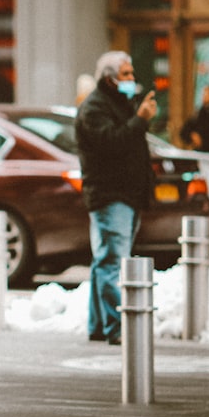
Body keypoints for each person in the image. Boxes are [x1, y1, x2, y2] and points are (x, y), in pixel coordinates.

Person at [75, 51, 156, 345]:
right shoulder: (95, 108)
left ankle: (98, 324)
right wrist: (140, 120)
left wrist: (138, 118)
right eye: (126, 74)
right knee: (112, 261)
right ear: (109, 78)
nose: (132, 79)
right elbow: (112, 144)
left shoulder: (119, 104)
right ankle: (118, 326)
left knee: (106, 259)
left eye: (132, 73)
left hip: (127, 193)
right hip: (111, 194)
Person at [180, 82, 209, 165]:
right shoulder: (204, 112)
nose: (204, 95)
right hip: (205, 158)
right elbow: (184, 131)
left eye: (207, 92)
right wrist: (192, 135)